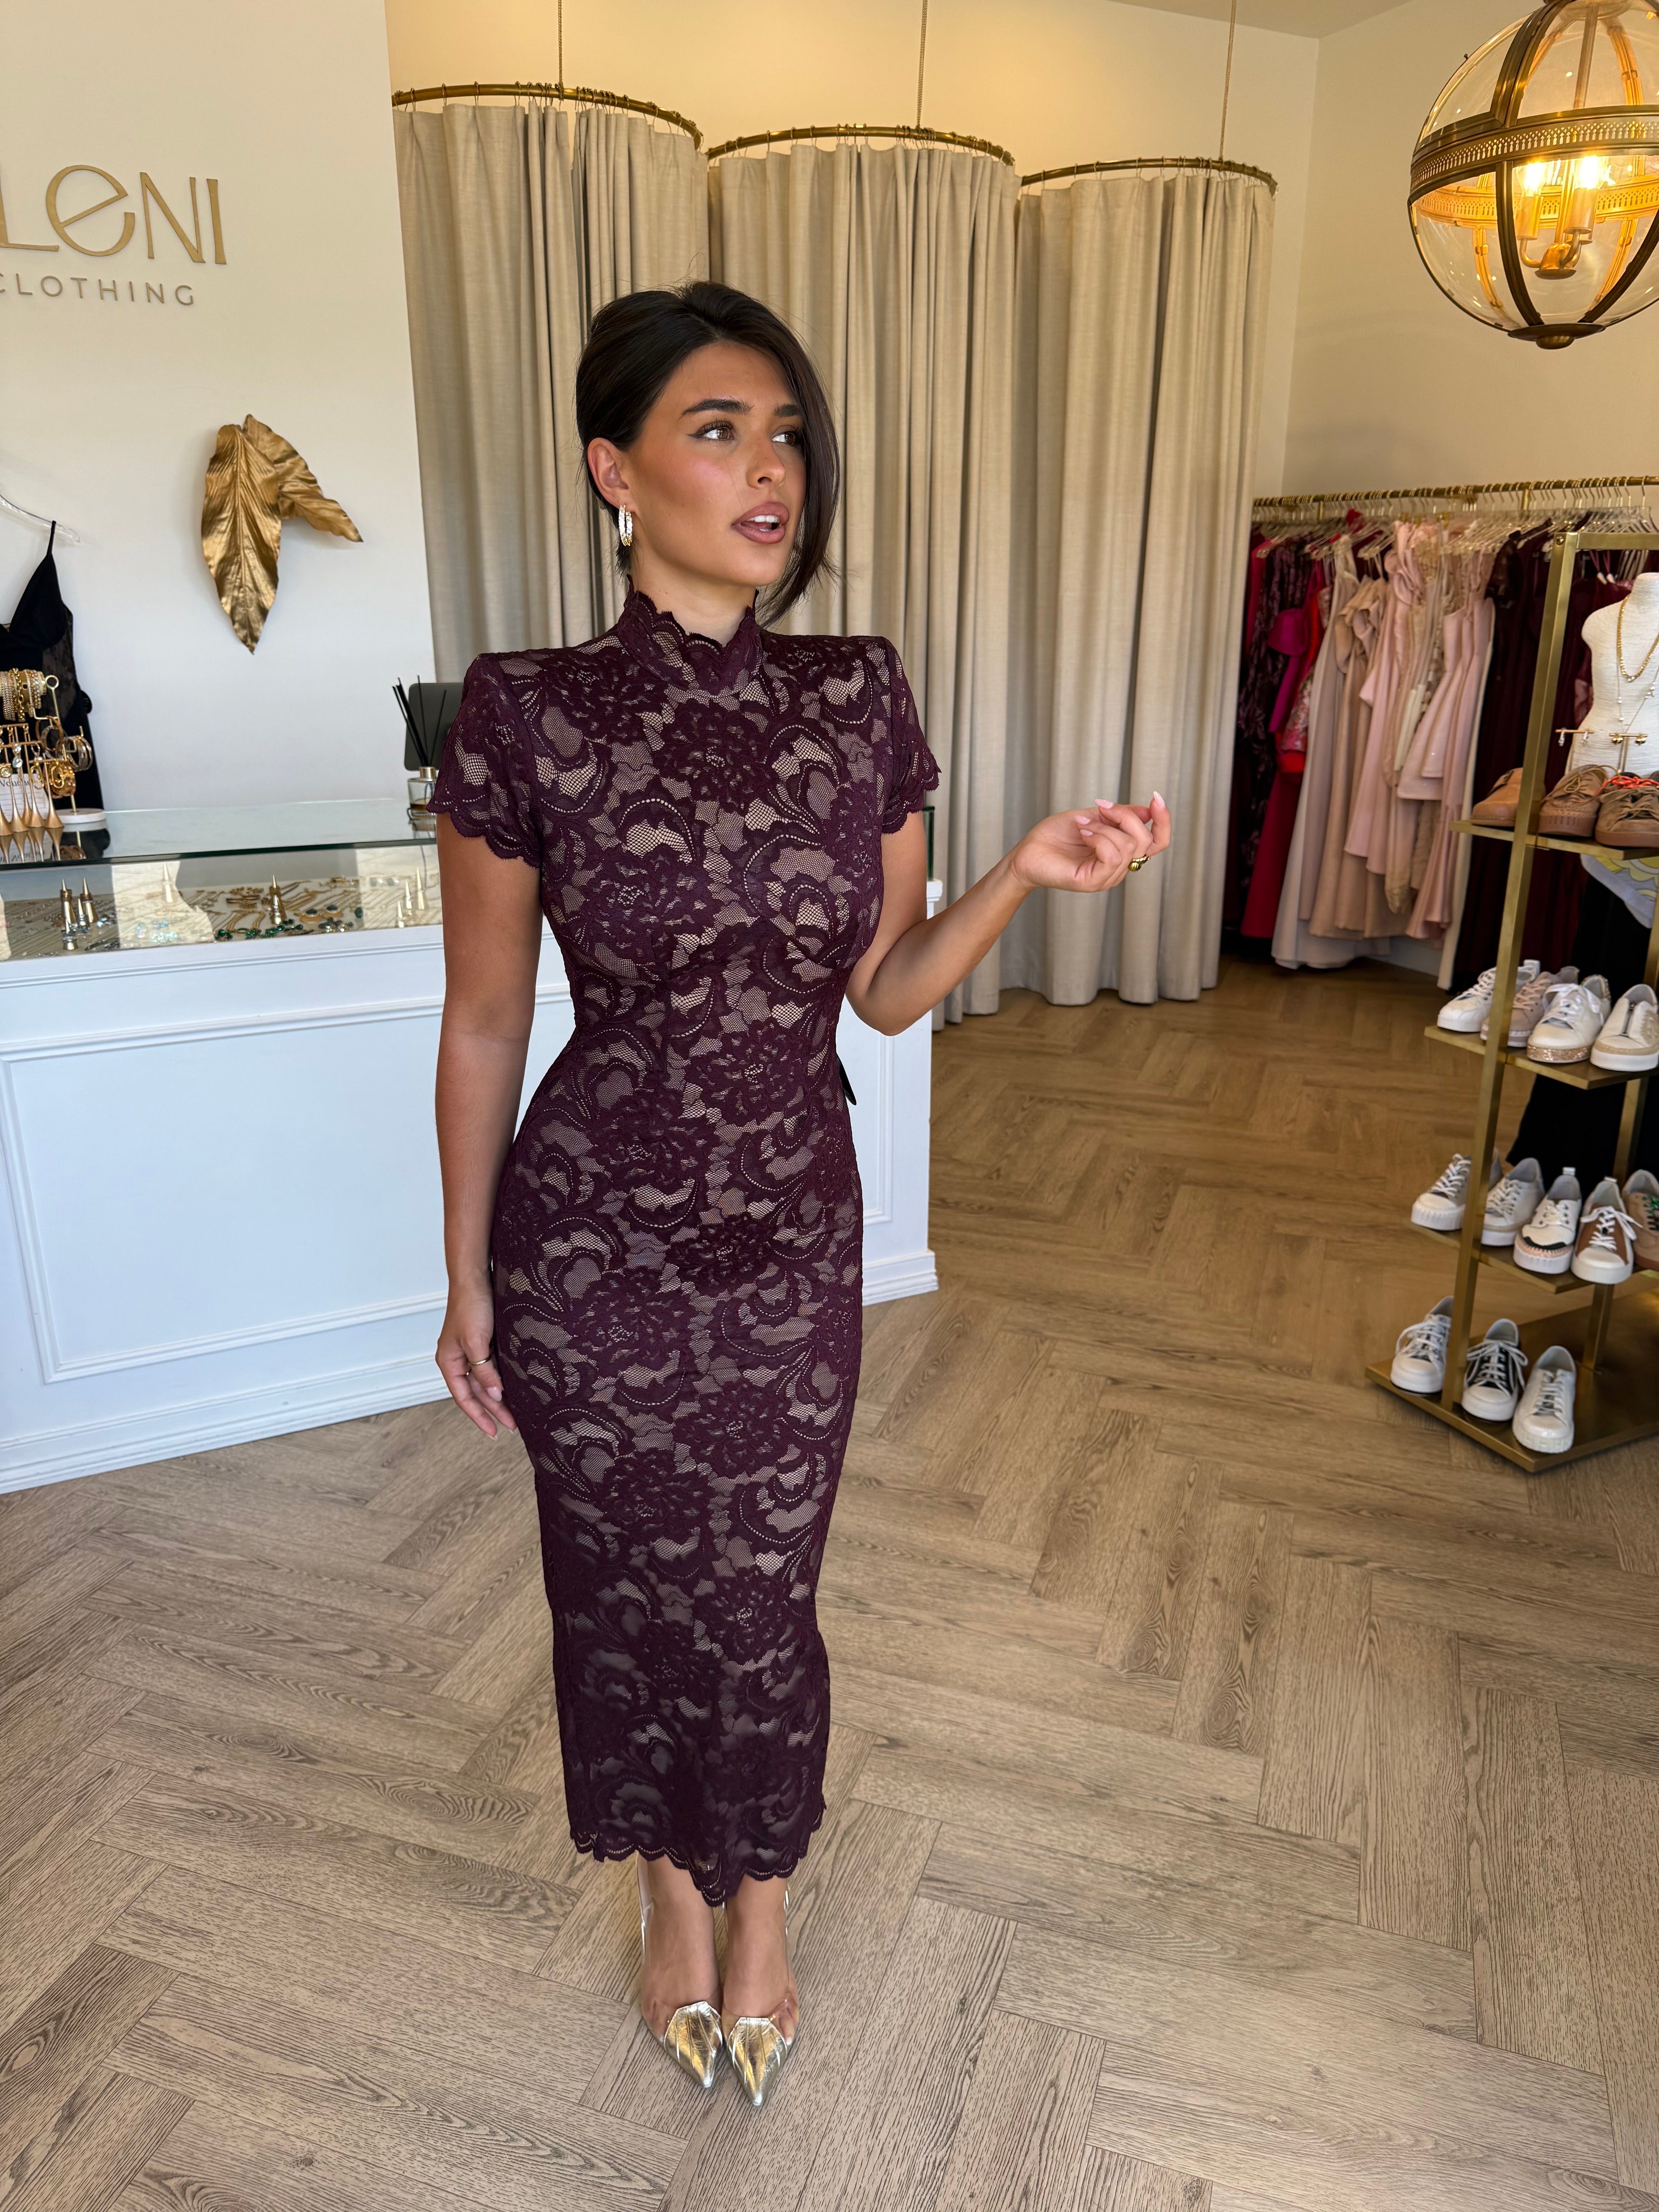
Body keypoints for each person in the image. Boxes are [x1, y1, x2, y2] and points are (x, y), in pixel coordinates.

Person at [430, 280, 1171, 2108]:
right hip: (589, 1236)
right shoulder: (525, 714)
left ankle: (758, 1899)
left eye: (786, 436)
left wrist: (1023, 870)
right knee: (621, 1582)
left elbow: (887, 990)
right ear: (614, 470)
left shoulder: (859, 694)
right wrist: (465, 1275)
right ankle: (668, 1892)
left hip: (788, 1225)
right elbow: (486, 1021)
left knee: (762, 1590)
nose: (770, 469)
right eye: (717, 432)